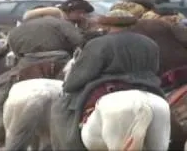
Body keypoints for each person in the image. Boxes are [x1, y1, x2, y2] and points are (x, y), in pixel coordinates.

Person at [53, 9, 167, 149]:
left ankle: (72, 145)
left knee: (61, 108)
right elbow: (154, 68)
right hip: (148, 85)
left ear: (106, 25)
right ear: (131, 24)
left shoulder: (98, 44)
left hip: (106, 85)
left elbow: (85, 72)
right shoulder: (149, 43)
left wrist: (69, 85)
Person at [0, 16, 83, 144]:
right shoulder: (63, 24)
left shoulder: (19, 29)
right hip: (61, 61)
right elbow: (79, 42)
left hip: (28, 63)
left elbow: (16, 51)